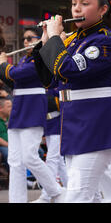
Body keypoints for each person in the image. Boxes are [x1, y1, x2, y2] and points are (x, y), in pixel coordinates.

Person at [32, 0, 111, 202]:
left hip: (98, 123)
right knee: (89, 196)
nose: (76, 9)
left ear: (103, 9)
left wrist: (55, 39)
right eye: (74, 4)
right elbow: (50, 80)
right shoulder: (75, 41)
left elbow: (66, 69)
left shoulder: (104, 42)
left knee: (77, 195)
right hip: (76, 122)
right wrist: (45, 43)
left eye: (84, 3)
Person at [0, 27, 65, 203]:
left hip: (33, 109)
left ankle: (56, 191)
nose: (26, 42)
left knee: (29, 156)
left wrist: (3, 65)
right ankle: (17, 200)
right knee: (15, 162)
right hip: (19, 109)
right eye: (25, 39)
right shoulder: (23, 59)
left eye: (30, 38)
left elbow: (16, 74)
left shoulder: (42, 58)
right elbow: (13, 82)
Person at [32, 88, 68, 203]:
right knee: (60, 162)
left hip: (58, 121)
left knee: (52, 159)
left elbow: (61, 100)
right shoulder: (45, 84)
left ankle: (46, 196)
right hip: (48, 123)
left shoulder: (55, 83)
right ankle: (72, 191)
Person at [0, 97, 11, 176]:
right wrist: (10, 145)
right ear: (1, 109)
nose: (11, 108)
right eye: (9, 107)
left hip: (14, 144)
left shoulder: (11, 118)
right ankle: (13, 176)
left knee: (39, 151)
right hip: (3, 146)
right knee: (9, 153)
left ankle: (31, 178)